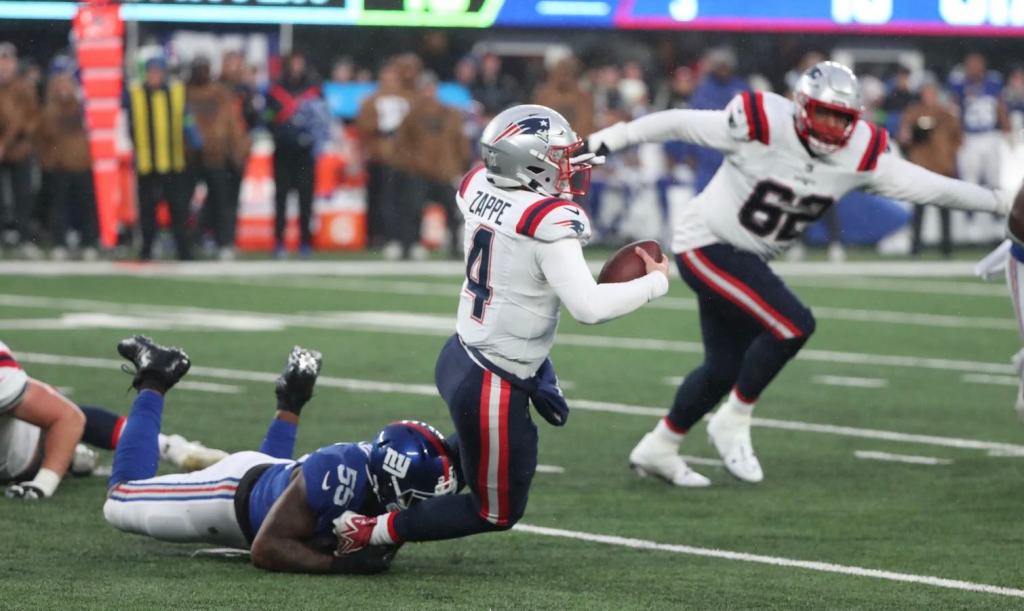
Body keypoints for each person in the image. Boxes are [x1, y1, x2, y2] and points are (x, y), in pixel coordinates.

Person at [585, 61, 1012, 486]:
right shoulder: (762, 124)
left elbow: (931, 187)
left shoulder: (860, 154)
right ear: (802, 107)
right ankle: (733, 419)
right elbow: (678, 123)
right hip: (706, 243)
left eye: (841, 118)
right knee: (793, 324)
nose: (831, 126)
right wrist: (613, 138)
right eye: (823, 113)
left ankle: (660, 446)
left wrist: (1000, 202)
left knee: (723, 369)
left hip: (747, 257)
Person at [332, 104, 670, 554]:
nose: (568, 166)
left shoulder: (479, 184)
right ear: (528, 163)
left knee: (470, 457)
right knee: (495, 511)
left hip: (464, 353)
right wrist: (655, 283)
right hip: (493, 378)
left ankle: (362, 494)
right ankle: (368, 532)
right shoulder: (548, 221)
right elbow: (588, 307)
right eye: (558, 157)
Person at [104, 337, 457, 573]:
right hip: (228, 497)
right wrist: (341, 564)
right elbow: (267, 548)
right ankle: (155, 375)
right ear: (390, 481)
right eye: (415, 499)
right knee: (119, 502)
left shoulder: (376, 473)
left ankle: (291, 398)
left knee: (289, 498)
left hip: (275, 480)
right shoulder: (339, 474)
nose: (421, 509)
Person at [0, 339, 223, 499]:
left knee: (125, 503)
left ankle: (170, 447)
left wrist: (42, 484)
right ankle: (74, 456)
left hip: (25, 454)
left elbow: (68, 418)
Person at [124, 56, 198, 261]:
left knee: (178, 209)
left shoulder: (176, 92)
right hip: (146, 163)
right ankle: (147, 249)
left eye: (158, 71)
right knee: (148, 210)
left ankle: (183, 250)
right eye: (151, 71)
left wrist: (194, 138)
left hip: (172, 161)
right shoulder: (135, 94)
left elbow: (187, 118)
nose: (154, 76)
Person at [392, 72, 470, 259]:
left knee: (454, 211)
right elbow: (402, 144)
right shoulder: (412, 115)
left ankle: (456, 247)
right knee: (412, 210)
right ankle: (408, 246)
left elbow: (460, 141)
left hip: (445, 171)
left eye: (430, 88)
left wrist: (461, 164)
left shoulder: (450, 113)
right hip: (419, 171)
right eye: (424, 89)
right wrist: (411, 164)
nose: (427, 93)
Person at [264, 50, 329, 258]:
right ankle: (279, 241)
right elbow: (267, 116)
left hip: (305, 152)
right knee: (281, 197)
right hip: (283, 150)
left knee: (306, 198)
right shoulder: (276, 89)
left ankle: (305, 242)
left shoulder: (314, 89)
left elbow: (323, 119)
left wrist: (313, 138)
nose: (296, 67)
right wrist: (279, 128)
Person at [34, 57, 99, 260]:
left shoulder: (84, 107)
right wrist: (48, 162)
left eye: (67, 81)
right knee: (58, 208)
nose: (63, 86)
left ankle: (89, 242)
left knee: (87, 206)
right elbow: (43, 137)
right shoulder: (48, 108)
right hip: (59, 165)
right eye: (59, 81)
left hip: (82, 163)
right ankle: (59, 242)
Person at [186, 56, 249, 260]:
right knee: (183, 202)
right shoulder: (185, 92)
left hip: (216, 155)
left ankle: (224, 242)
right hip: (190, 155)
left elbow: (231, 124)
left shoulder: (220, 93)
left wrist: (237, 150)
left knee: (222, 202)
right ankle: (187, 241)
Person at [355, 57, 417, 254]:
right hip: (379, 157)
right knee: (379, 200)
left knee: (401, 200)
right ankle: (377, 236)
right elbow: (364, 127)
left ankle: (401, 237)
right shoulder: (372, 100)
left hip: (403, 158)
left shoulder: (409, 98)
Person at [899, 82, 963, 257]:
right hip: (921, 167)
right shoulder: (913, 113)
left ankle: (947, 248)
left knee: (945, 211)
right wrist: (914, 133)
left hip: (942, 168)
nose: (928, 98)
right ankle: (915, 248)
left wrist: (949, 155)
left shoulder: (946, 114)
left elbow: (958, 139)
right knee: (919, 210)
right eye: (926, 94)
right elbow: (904, 138)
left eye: (931, 94)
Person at [0, 42, 40, 255]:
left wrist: (9, 141)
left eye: (7, 61)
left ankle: (24, 239)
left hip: (20, 148)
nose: (4, 65)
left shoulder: (24, 87)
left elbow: (29, 118)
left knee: (23, 196)